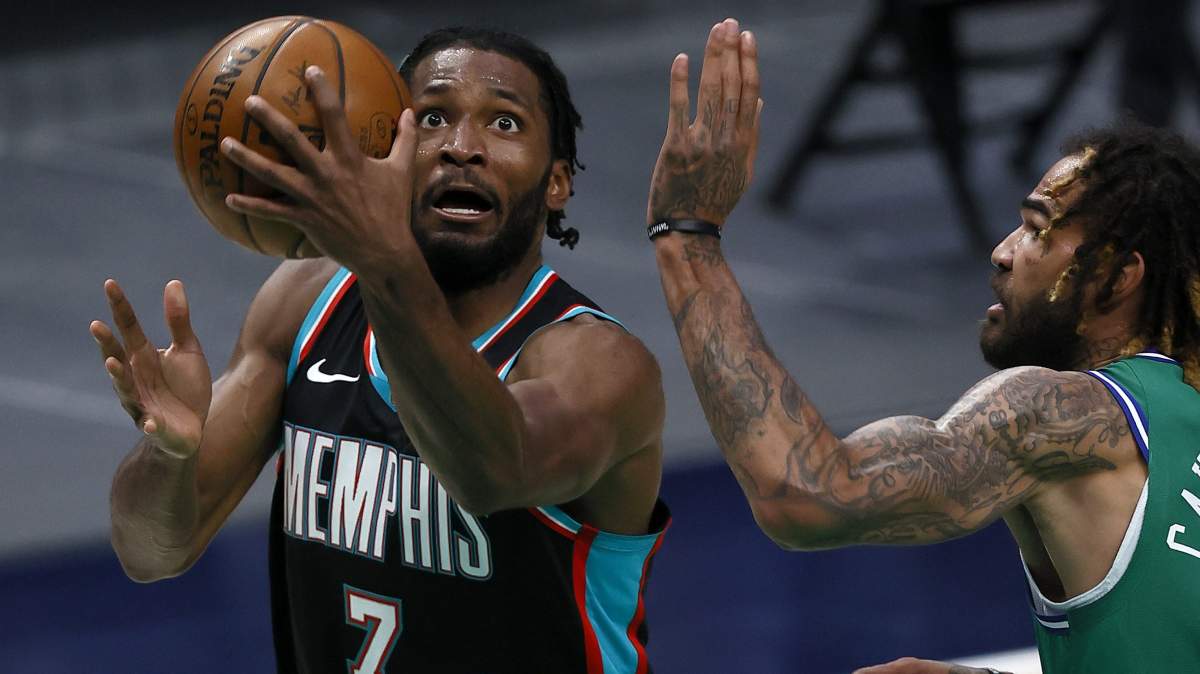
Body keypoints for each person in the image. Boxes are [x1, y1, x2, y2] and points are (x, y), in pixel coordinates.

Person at [94, 27, 670, 673]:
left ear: (556, 182)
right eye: (432, 117)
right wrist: (170, 456)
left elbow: (492, 472)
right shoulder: (307, 301)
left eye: (504, 123)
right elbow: (150, 552)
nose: (462, 147)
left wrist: (380, 253)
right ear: (385, 147)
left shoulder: (599, 363)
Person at [647, 17, 1200, 674]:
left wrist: (687, 234)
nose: (1002, 253)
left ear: (1118, 275)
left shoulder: (1058, 416)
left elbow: (808, 494)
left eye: (1036, 230)